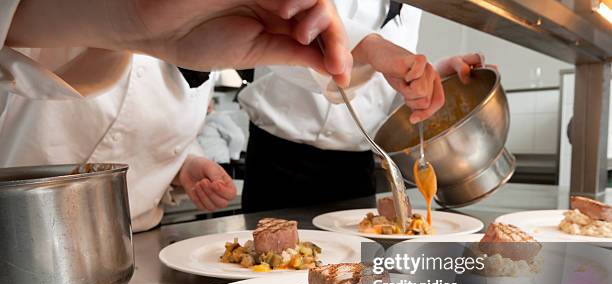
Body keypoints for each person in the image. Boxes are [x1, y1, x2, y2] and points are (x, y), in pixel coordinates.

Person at [0, 0, 353, 231]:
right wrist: (122, 19)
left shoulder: (221, 23)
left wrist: (183, 163)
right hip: (21, 231)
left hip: (132, 239)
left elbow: (155, 105)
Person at [239, 1, 487, 212]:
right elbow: (281, 22)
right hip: (279, 160)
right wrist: (371, 47)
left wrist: (430, 76)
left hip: (355, 170)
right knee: (267, 264)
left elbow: (381, 89)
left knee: (358, 266)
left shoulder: (411, 8)